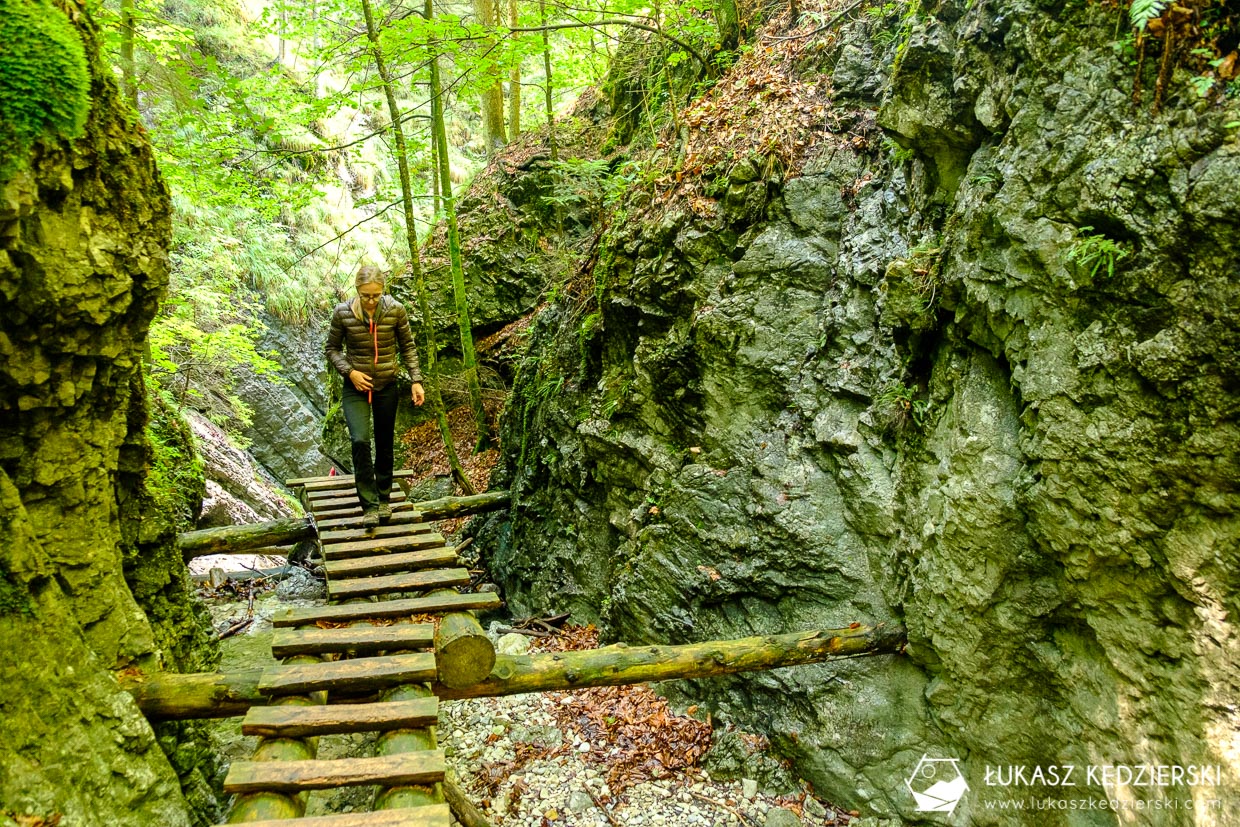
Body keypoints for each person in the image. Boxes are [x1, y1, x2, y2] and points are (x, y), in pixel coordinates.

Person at [325, 265, 425, 527]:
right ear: (357, 291)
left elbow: (408, 347)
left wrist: (416, 380)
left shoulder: (395, 310)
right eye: (366, 295)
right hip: (355, 387)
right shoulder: (343, 312)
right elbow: (332, 349)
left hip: (386, 385)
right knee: (359, 441)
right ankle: (368, 506)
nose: (371, 300)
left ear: (383, 291)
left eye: (376, 295)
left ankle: (383, 500)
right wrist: (350, 373)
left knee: (384, 443)